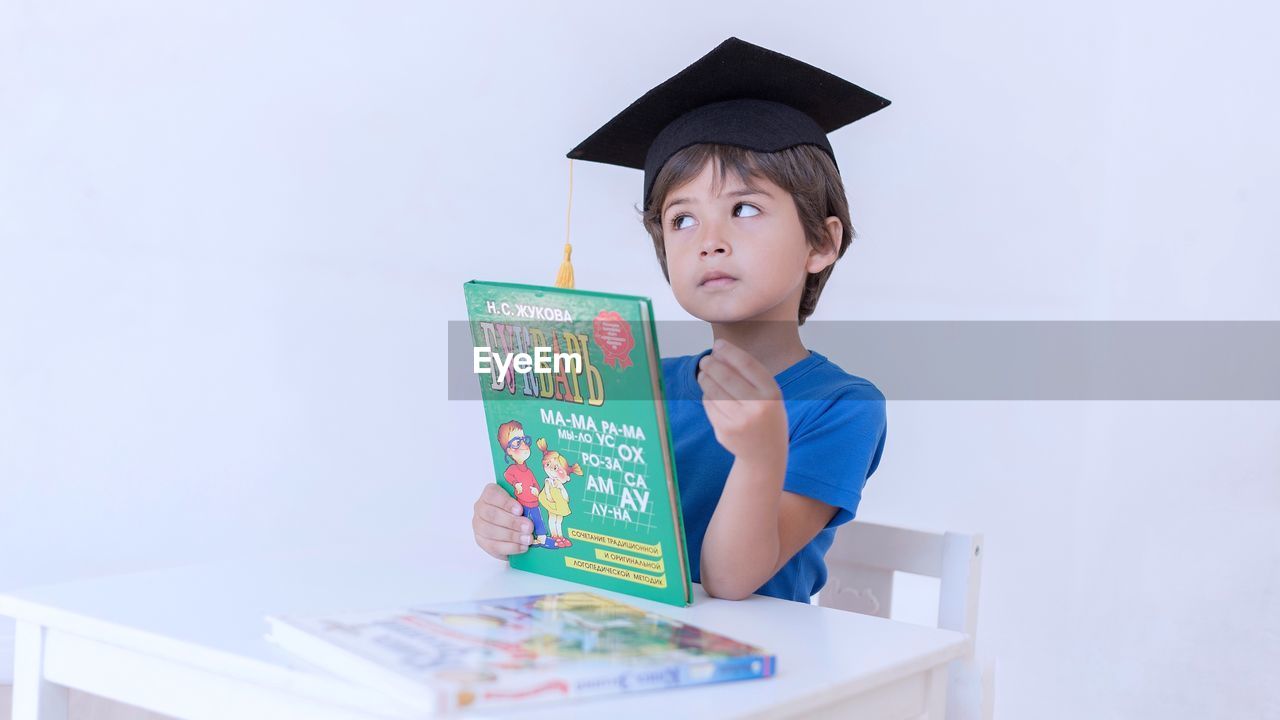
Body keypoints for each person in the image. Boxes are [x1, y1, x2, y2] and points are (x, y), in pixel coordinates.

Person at [470, 37, 888, 602]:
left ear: (821, 242)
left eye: (744, 209)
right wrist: (510, 520)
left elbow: (731, 582)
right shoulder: (636, 386)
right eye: (682, 220)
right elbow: (583, 522)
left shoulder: (841, 406)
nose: (710, 242)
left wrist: (762, 453)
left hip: (766, 669)